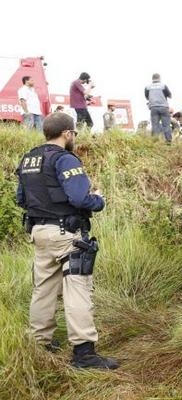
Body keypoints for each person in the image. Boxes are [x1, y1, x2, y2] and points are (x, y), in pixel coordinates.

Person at [15, 112, 118, 370]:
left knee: (44, 288)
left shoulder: (29, 159)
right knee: (78, 289)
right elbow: (80, 199)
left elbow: (21, 198)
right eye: (74, 133)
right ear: (67, 133)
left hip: (39, 233)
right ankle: (84, 354)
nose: (73, 137)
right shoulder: (64, 159)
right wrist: (99, 199)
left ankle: (40, 344)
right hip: (66, 235)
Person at [145, 73, 173, 144]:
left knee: (155, 125)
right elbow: (170, 95)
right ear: (159, 78)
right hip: (164, 107)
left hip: (153, 108)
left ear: (152, 79)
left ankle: (155, 141)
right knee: (166, 124)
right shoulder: (163, 86)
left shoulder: (147, 87)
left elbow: (147, 97)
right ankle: (168, 141)